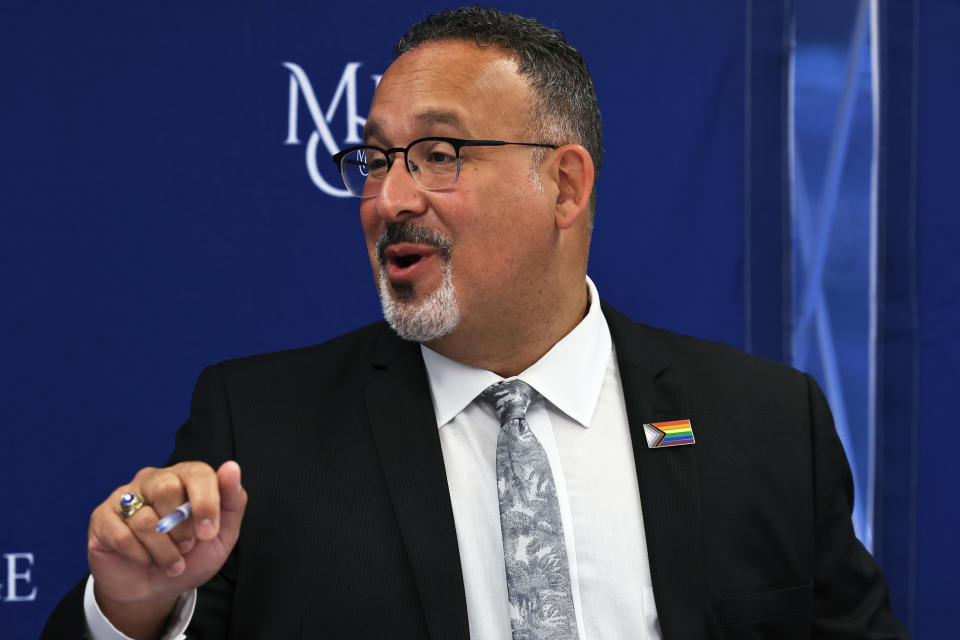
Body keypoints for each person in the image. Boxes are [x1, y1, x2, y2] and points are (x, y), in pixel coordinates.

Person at [43, 7, 909, 640]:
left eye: (439, 156)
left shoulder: (764, 420)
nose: (389, 198)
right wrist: (130, 609)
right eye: (376, 160)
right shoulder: (257, 427)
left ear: (565, 185)